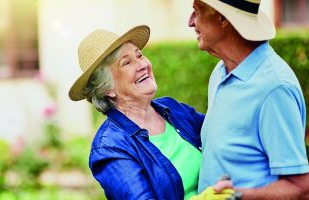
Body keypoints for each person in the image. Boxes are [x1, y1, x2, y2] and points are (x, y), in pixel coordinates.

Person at [68, 25, 235, 200]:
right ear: (107, 88)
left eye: (139, 55)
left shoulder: (174, 109)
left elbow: (223, 132)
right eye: (126, 62)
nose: (142, 65)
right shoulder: (109, 147)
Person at [188, 0, 309, 199]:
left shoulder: (275, 88)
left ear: (223, 18)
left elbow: (301, 188)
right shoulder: (220, 72)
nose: (191, 22)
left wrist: (238, 196)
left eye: (197, 12)